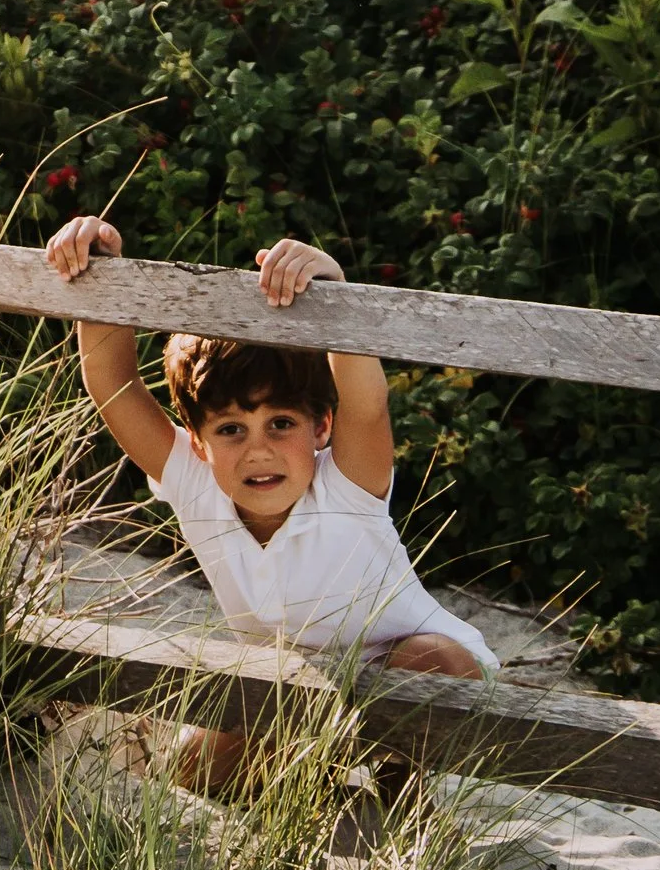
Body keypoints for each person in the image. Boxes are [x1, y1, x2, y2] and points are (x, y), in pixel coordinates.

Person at [45, 218, 493, 773]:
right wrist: (101, 275)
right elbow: (113, 386)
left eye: (280, 424)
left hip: (414, 669)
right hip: (292, 690)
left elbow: (367, 402)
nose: (258, 450)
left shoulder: (347, 484)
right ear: (199, 442)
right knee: (196, 766)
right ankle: (320, 798)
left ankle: (400, 805)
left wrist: (335, 295)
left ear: (322, 427)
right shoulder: (194, 481)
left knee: (428, 665)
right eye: (231, 429)